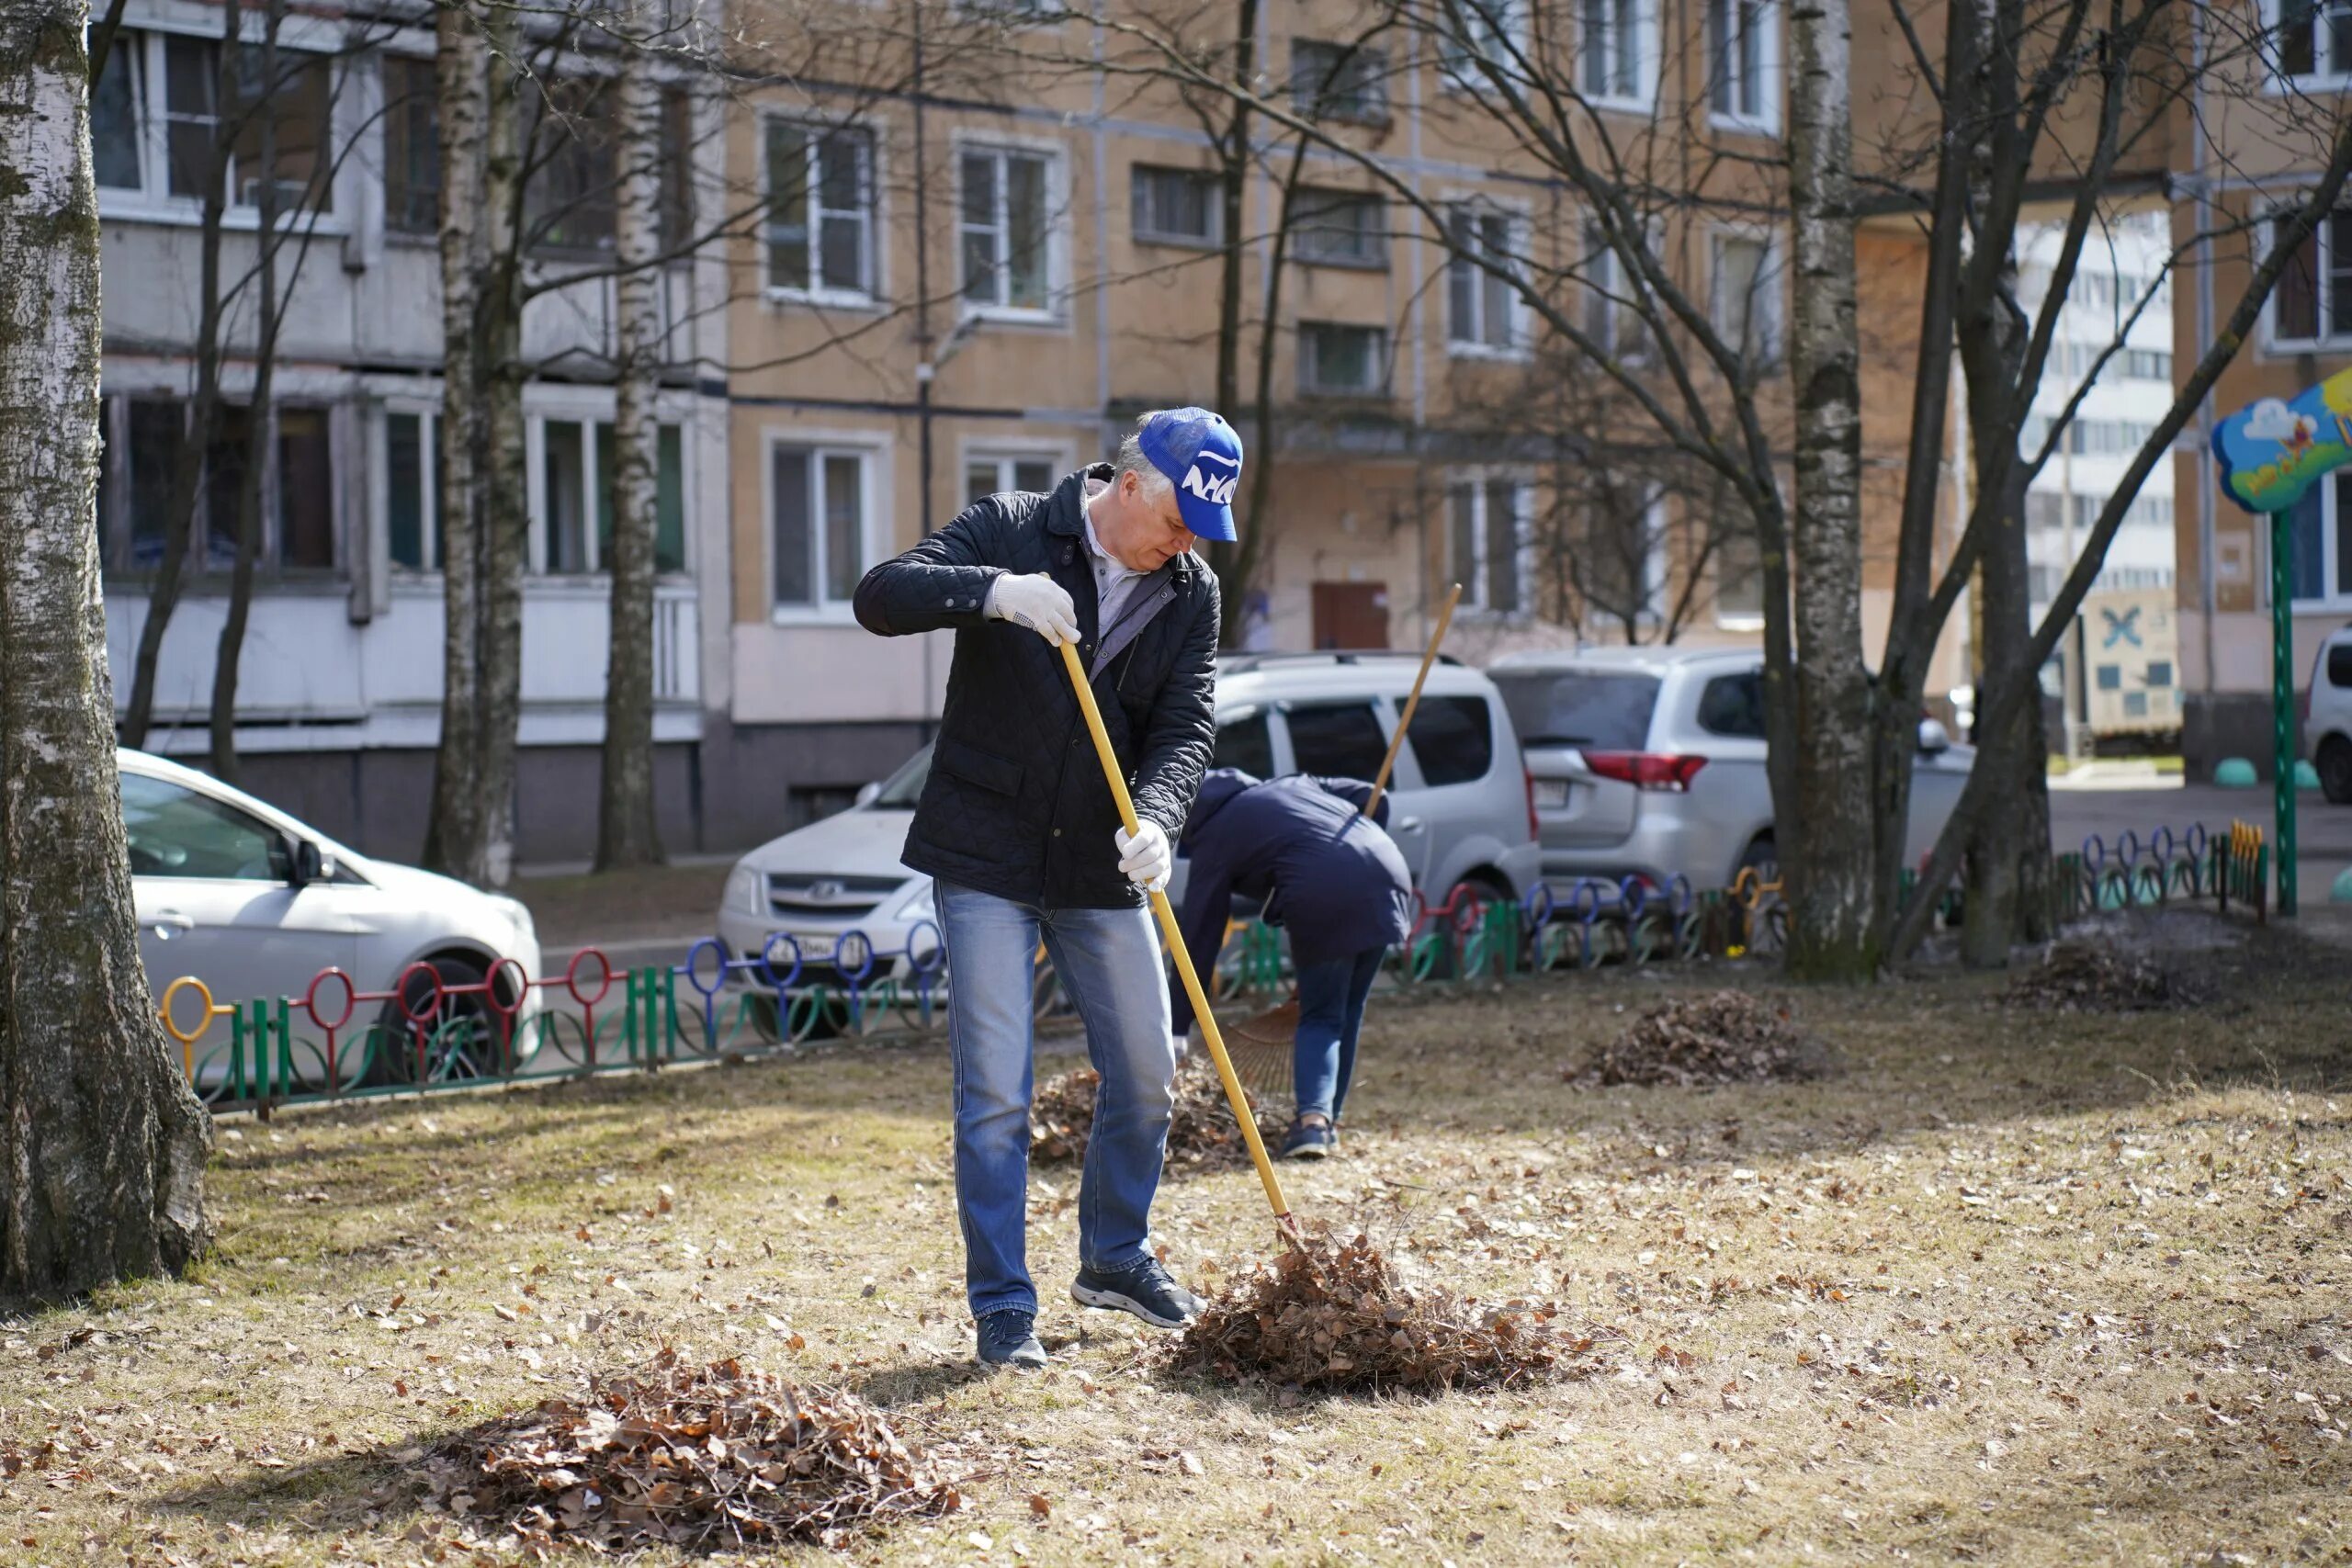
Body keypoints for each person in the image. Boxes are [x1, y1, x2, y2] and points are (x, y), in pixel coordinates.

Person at [853, 408, 1242, 1371]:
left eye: (1203, 527)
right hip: (985, 852)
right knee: (994, 1091)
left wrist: (1155, 819)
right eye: (1180, 518)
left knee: (1149, 1075)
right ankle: (1003, 1307)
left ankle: (1113, 1255)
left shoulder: (1190, 590)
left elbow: (1185, 728)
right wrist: (993, 593)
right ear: (1131, 482)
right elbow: (879, 597)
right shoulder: (1014, 529)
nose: (1187, 541)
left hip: (1097, 867)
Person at [1170, 769, 1414, 1159]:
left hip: (1325, 892)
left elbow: (1199, 937)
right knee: (1344, 1011)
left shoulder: (1215, 835)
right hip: (1385, 872)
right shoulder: (1297, 783)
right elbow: (1375, 797)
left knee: (1320, 1016)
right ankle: (1324, 1121)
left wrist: (1177, 1025)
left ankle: (1313, 1125)